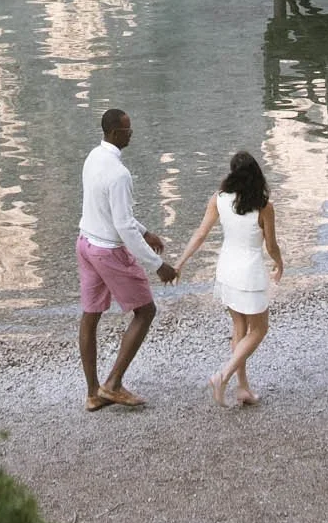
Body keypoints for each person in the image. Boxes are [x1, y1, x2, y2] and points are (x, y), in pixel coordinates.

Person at [77, 107, 178, 411]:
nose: (131, 134)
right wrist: (158, 265)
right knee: (145, 312)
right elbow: (122, 226)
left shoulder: (93, 156)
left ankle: (94, 392)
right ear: (115, 133)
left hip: (85, 243)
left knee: (90, 316)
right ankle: (114, 384)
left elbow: (110, 212)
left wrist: (146, 232)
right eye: (128, 130)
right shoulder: (120, 174)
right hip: (108, 251)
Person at [175, 149, 282, 407]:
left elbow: (200, 234)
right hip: (250, 274)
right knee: (259, 330)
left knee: (239, 329)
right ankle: (223, 375)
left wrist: (180, 263)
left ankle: (243, 388)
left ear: (233, 174)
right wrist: (280, 264)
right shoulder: (264, 207)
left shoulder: (219, 199)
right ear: (257, 175)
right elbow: (271, 246)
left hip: (226, 271)